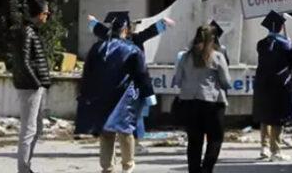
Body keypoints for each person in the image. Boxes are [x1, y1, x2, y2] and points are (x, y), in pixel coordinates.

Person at [75, 11, 155, 173]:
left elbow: (87, 72)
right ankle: (128, 165)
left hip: (101, 97)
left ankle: (107, 168)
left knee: (106, 133)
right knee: (125, 131)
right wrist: (149, 94)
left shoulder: (97, 48)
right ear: (125, 30)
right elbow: (142, 74)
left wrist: (84, 93)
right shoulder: (132, 49)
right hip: (123, 99)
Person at [88, 13, 175, 154]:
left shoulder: (111, 40)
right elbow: (149, 32)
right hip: (132, 87)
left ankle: (123, 146)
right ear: (127, 28)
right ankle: (133, 145)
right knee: (135, 117)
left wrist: (93, 22)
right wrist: (162, 22)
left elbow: (101, 30)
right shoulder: (135, 40)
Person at [174, 25, 231, 173]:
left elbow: (177, 80)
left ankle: (194, 171)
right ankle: (206, 169)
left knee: (194, 141)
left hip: (188, 103)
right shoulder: (217, 56)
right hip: (212, 103)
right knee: (215, 139)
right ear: (213, 39)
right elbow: (226, 82)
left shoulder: (185, 57)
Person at [12, 0, 51, 173]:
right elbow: (23, 61)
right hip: (30, 87)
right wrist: (36, 84)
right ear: (40, 14)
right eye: (46, 13)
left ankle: (27, 166)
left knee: (37, 128)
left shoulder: (32, 31)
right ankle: (23, 169)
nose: (47, 17)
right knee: (29, 130)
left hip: (37, 86)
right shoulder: (27, 32)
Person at [253, 10, 292, 162]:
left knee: (265, 116)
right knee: (278, 118)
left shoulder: (261, 44)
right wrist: (290, 43)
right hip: (280, 85)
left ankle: (263, 147)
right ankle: (275, 150)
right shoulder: (287, 45)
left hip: (263, 85)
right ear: (280, 28)